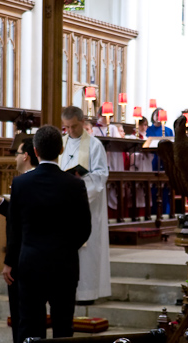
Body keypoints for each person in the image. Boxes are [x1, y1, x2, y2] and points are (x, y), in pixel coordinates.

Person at [5, 125, 91, 343]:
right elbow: (84, 228)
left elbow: (14, 228)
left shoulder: (21, 183)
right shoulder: (75, 184)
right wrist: (66, 248)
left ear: (35, 151)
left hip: (31, 263)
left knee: (31, 325)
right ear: (61, 150)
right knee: (63, 326)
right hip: (65, 264)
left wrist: (9, 261)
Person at [0, 139, 38, 343]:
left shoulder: (24, 183)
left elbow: (18, 225)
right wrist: (0, 203)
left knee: (21, 313)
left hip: (22, 257)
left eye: (17, 154)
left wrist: (8, 261)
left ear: (26, 155)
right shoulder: (34, 181)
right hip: (38, 255)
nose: (15, 158)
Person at [60, 106, 111, 302]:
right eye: (66, 127)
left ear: (82, 122)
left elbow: (100, 176)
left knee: (86, 250)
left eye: (74, 126)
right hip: (63, 206)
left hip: (85, 205)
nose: (70, 131)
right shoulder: (61, 144)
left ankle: (87, 293)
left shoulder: (94, 145)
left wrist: (78, 184)